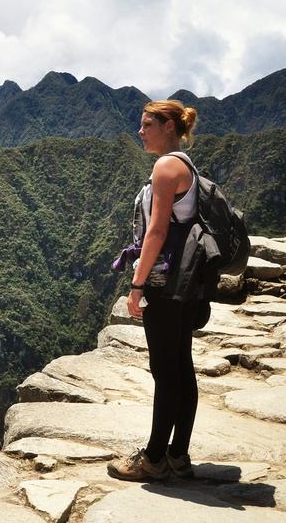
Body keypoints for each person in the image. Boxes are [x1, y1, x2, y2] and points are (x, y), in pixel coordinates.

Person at [107, 99, 199, 482]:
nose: (140, 131)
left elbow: (157, 232)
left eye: (147, 125)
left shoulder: (166, 167)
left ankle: (154, 458)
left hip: (165, 283)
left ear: (168, 128)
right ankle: (178, 454)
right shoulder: (186, 166)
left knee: (165, 370)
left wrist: (137, 285)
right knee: (181, 367)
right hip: (186, 282)